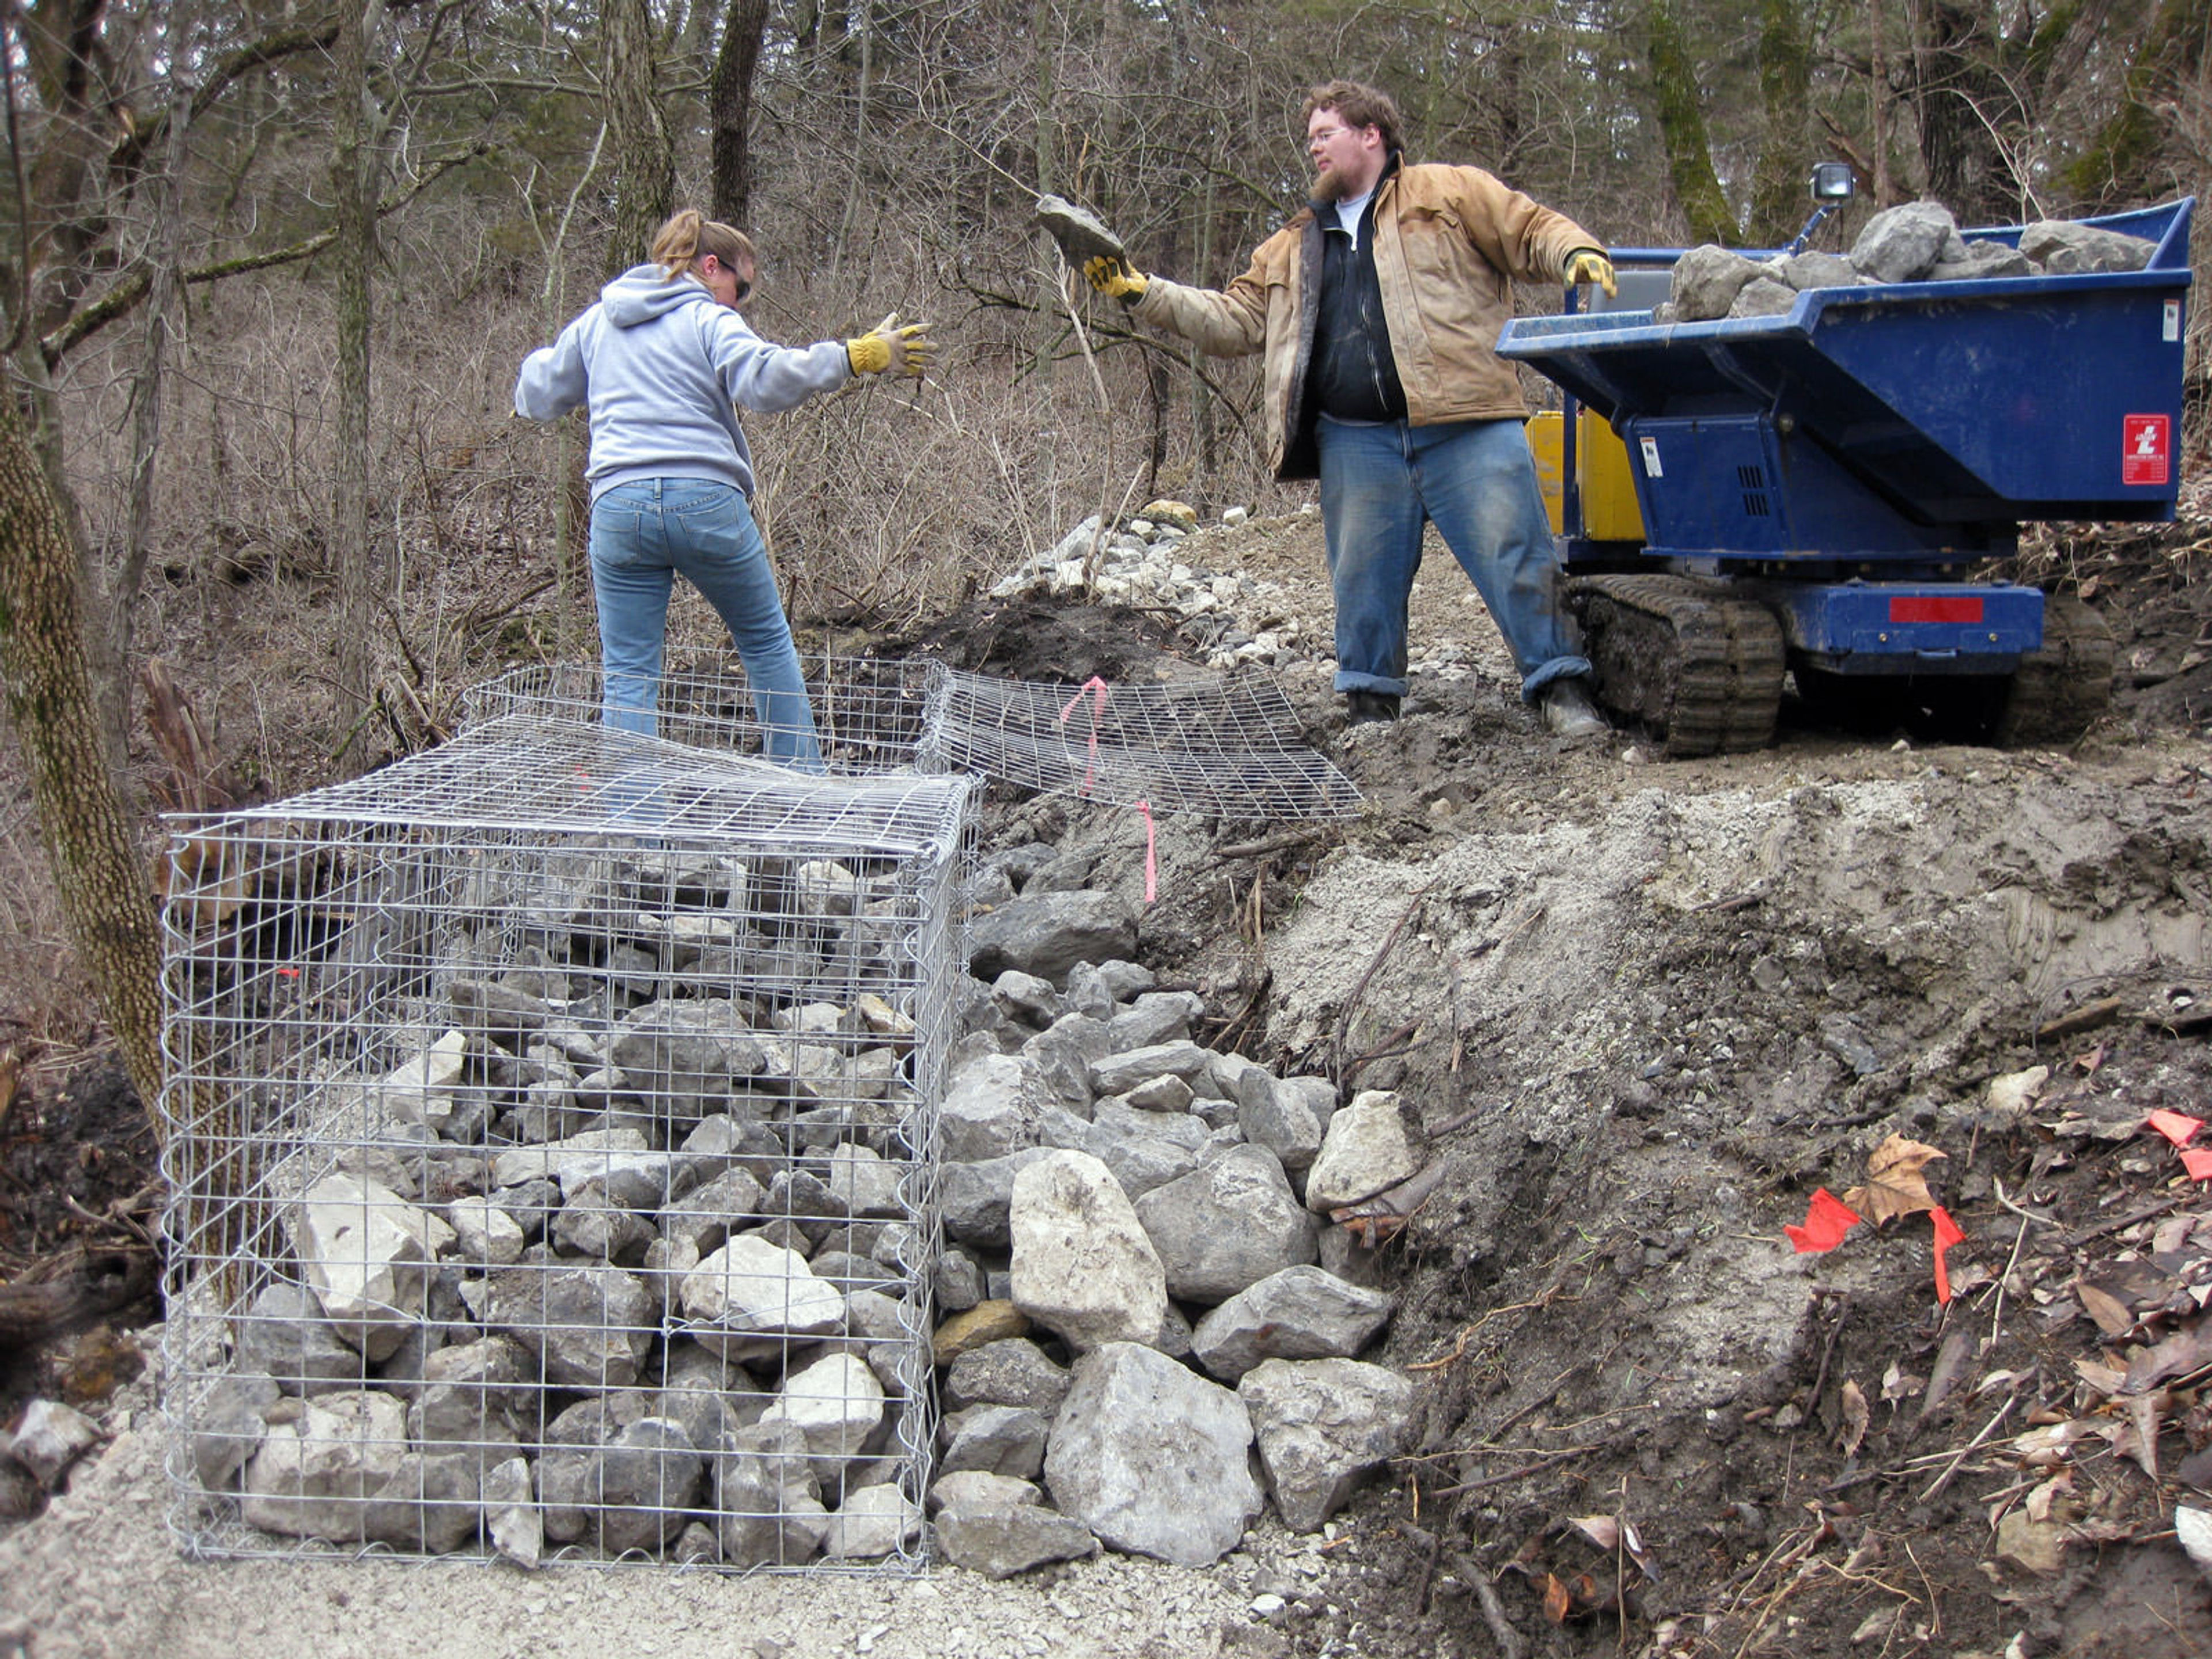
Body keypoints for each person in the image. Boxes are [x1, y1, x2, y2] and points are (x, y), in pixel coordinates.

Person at [1074, 80, 1615, 736]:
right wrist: (1140, 290)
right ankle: (1371, 709)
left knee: (1516, 555)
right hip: (1357, 442)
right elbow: (1233, 321)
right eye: (1309, 140)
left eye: (1324, 133)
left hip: (1468, 423)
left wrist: (1577, 253)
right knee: (1363, 585)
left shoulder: (1448, 193)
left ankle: (1562, 690)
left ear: (1372, 134)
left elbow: (1531, 229)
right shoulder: (1292, 245)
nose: (1313, 147)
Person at [513, 209, 933, 768]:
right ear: (711, 267)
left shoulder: (597, 324)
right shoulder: (706, 319)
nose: (742, 300)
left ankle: (633, 834)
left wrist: (541, 366)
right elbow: (764, 380)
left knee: (629, 675)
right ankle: (799, 795)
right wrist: (856, 355)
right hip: (703, 500)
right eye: (743, 285)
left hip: (619, 507)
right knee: (764, 645)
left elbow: (537, 395)